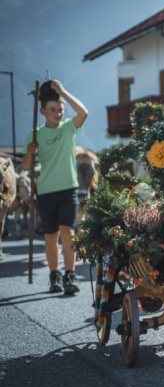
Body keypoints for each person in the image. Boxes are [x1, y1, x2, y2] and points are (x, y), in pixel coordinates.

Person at [22, 80, 88, 295]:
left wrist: (62, 92)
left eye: (60, 110)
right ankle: (54, 275)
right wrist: (30, 152)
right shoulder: (35, 134)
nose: (57, 113)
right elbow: (26, 165)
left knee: (68, 232)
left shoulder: (69, 128)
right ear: (42, 111)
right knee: (51, 236)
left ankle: (70, 275)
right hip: (46, 191)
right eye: (52, 110)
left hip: (68, 189)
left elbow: (83, 112)